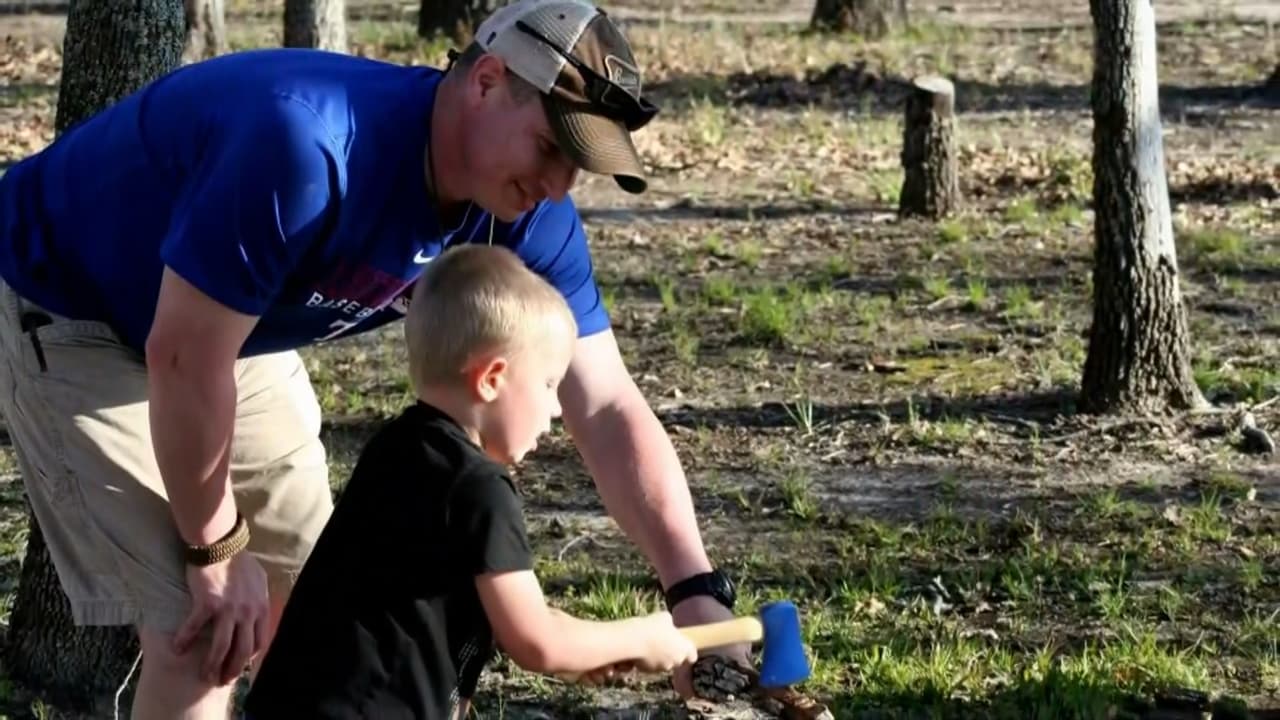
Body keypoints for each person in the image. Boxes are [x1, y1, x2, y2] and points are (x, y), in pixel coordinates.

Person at [0, 0, 747, 716]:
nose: (557, 186)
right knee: (204, 633)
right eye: (551, 147)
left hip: (224, 330)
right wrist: (216, 549)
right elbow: (181, 358)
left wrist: (694, 590)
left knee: (323, 608)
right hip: (77, 311)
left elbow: (607, 403)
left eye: (577, 165)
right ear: (486, 81)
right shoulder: (308, 145)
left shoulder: (525, 211)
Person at [243, 243, 700, 718]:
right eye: (548, 384)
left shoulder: (395, 448)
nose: (557, 409)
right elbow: (537, 642)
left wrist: (591, 651)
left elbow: (507, 621)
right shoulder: (480, 488)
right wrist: (643, 636)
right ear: (491, 378)